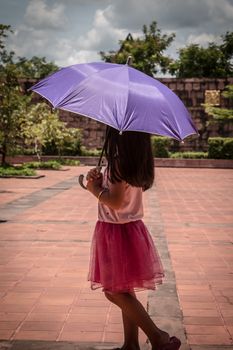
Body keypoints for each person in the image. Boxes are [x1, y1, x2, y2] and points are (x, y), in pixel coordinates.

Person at [86, 126, 181, 350]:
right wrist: (101, 182)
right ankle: (130, 345)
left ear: (119, 136)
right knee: (124, 289)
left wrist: (93, 189)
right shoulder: (134, 162)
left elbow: (116, 202)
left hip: (115, 232)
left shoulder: (120, 163)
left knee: (114, 291)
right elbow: (121, 195)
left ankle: (158, 337)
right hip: (129, 230)